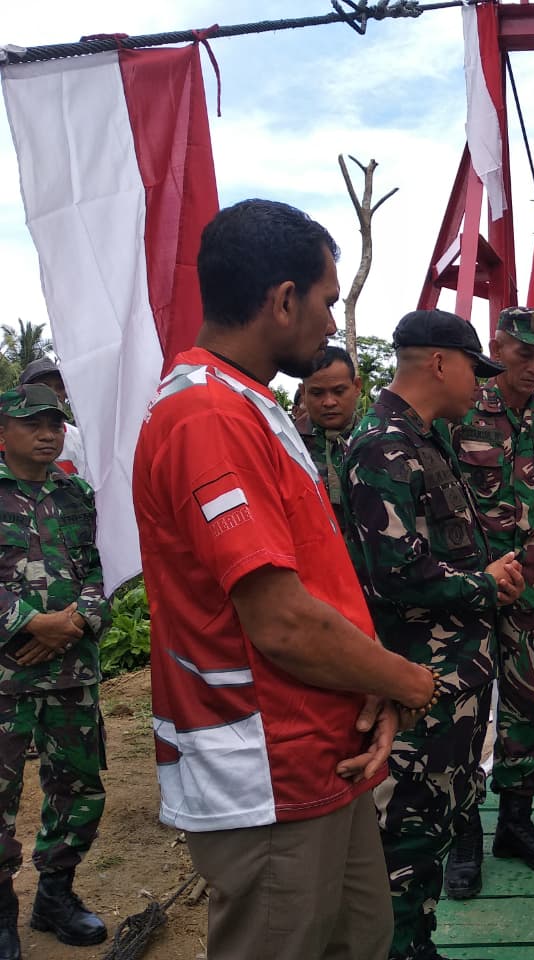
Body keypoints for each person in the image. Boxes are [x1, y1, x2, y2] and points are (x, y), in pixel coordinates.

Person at [132, 199, 438, 960]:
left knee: (358, 937)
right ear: (282, 300)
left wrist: (366, 684)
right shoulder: (209, 417)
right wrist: (404, 680)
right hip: (267, 770)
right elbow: (283, 622)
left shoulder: (248, 405)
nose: (333, 323)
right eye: (329, 302)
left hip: (317, 753)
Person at [343, 309, 523, 960]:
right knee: (406, 838)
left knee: (431, 832)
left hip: (453, 682)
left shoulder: (423, 438)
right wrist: (485, 584)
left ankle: (417, 942)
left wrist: (481, 575)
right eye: (477, 368)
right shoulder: (383, 445)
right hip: (420, 686)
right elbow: (397, 577)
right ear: (441, 362)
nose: (481, 384)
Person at [445, 306, 534, 897]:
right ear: (497, 347)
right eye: (523, 353)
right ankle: (464, 835)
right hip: (466, 585)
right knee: (464, 708)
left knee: (527, 700)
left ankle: (515, 824)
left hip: (527, 586)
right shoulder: (461, 409)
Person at [0, 384, 108, 958]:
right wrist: (26, 623)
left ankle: (56, 897)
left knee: (78, 787)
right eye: (33, 423)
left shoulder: (77, 495)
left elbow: (98, 571)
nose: (48, 432)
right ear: (4, 431)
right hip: (6, 676)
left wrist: (75, 624)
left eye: (55, 423)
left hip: (71, 672)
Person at [297, 345, 363, 535]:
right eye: (317, 393)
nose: (329, 402)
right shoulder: (287, 445)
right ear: (303, 392)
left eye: (339, 391)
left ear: (357, 387)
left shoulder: (376, 439)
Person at [15, 359, 86, 478]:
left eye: (60, 387)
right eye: (44, 386)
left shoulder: (79, 439)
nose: (54, 393)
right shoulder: (9, 433)